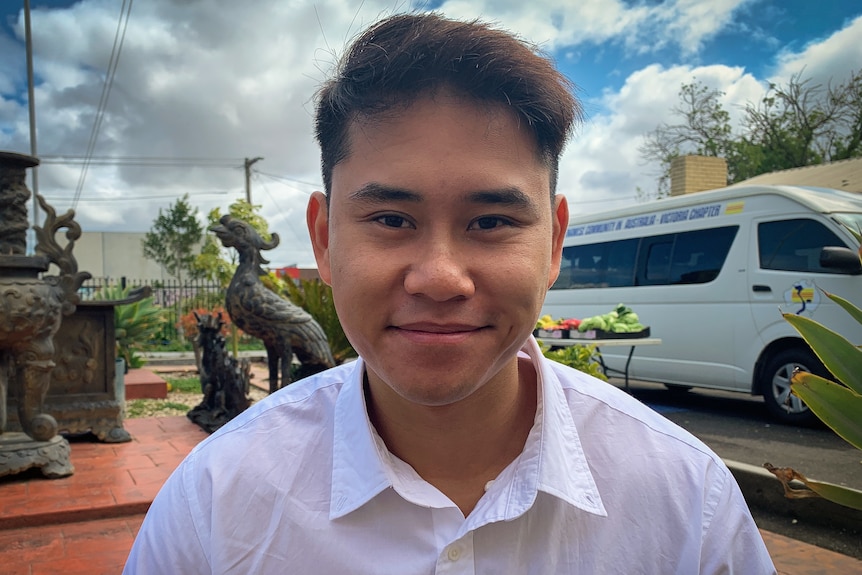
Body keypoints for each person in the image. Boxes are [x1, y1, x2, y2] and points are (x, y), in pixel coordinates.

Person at [124, 12, 776, 574]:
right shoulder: (216, 502)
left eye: (490, 222)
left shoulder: (687, 503)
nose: (439, 277)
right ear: (323, 239)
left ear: (553, 243)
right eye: (390, 220)